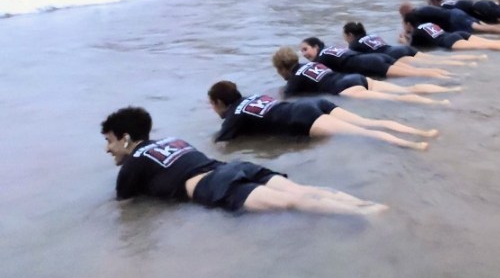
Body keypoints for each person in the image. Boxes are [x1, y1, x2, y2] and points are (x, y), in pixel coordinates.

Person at [101, 106, 387, 215]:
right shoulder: (174, 140)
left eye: (109, 140)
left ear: (125, 138)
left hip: (217, 183)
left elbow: (124, 208)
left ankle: (368, 214)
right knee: (302, 191)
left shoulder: (133, 162)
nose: (108, 149)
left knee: (291, 204)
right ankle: (368, 205)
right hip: (237, 167)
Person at [208, 81, 437, 150]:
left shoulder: (233, 116)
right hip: (314, 105)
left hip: (304, 119)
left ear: (219, 102)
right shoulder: (253, 96)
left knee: (365, 133)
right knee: (369, 123)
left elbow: (221, 141)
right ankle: (421, 132)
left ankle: (415, 146)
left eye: (212, 104)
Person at [273, 46, 458, 105]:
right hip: (355, 78)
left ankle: (438, 104)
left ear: (282, 68)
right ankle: (449, 90)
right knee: (405, 89)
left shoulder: (294, 80)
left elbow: (287, 99)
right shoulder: (313, 64)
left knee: (398, 98)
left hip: (345, 88)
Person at [301, 37, 453, 80]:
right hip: (376, 58)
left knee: (416, 74)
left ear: (315, 46)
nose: (304, 54)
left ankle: (453, 81)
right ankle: (449, 74)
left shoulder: (321, 59)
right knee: (416, 71)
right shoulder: (331, 49)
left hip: (371, 64)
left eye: (305, 49)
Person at [342, 21, 484, 65]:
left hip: (394, 55)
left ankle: (468, 63)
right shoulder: (372, 35)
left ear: (350, 34)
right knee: (436, 59)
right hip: (399, 49)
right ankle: (473, 58)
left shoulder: (354, 45)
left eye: (345, 35)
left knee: (436, 63)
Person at [401, 17, 500, 54]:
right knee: (489, 42)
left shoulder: (416, 32)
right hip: (457, 34)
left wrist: (404, 41)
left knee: (487, 47)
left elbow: (412, 49)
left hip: (449, 41)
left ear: (408, 24)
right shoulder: (428, 23)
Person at [398, 2, 500, 35]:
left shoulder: (415, 15)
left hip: (453, 19)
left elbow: (414, 31)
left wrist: (405, 30)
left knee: (484, 29)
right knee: (486, 27)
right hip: (456, 13)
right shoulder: (422, 9)